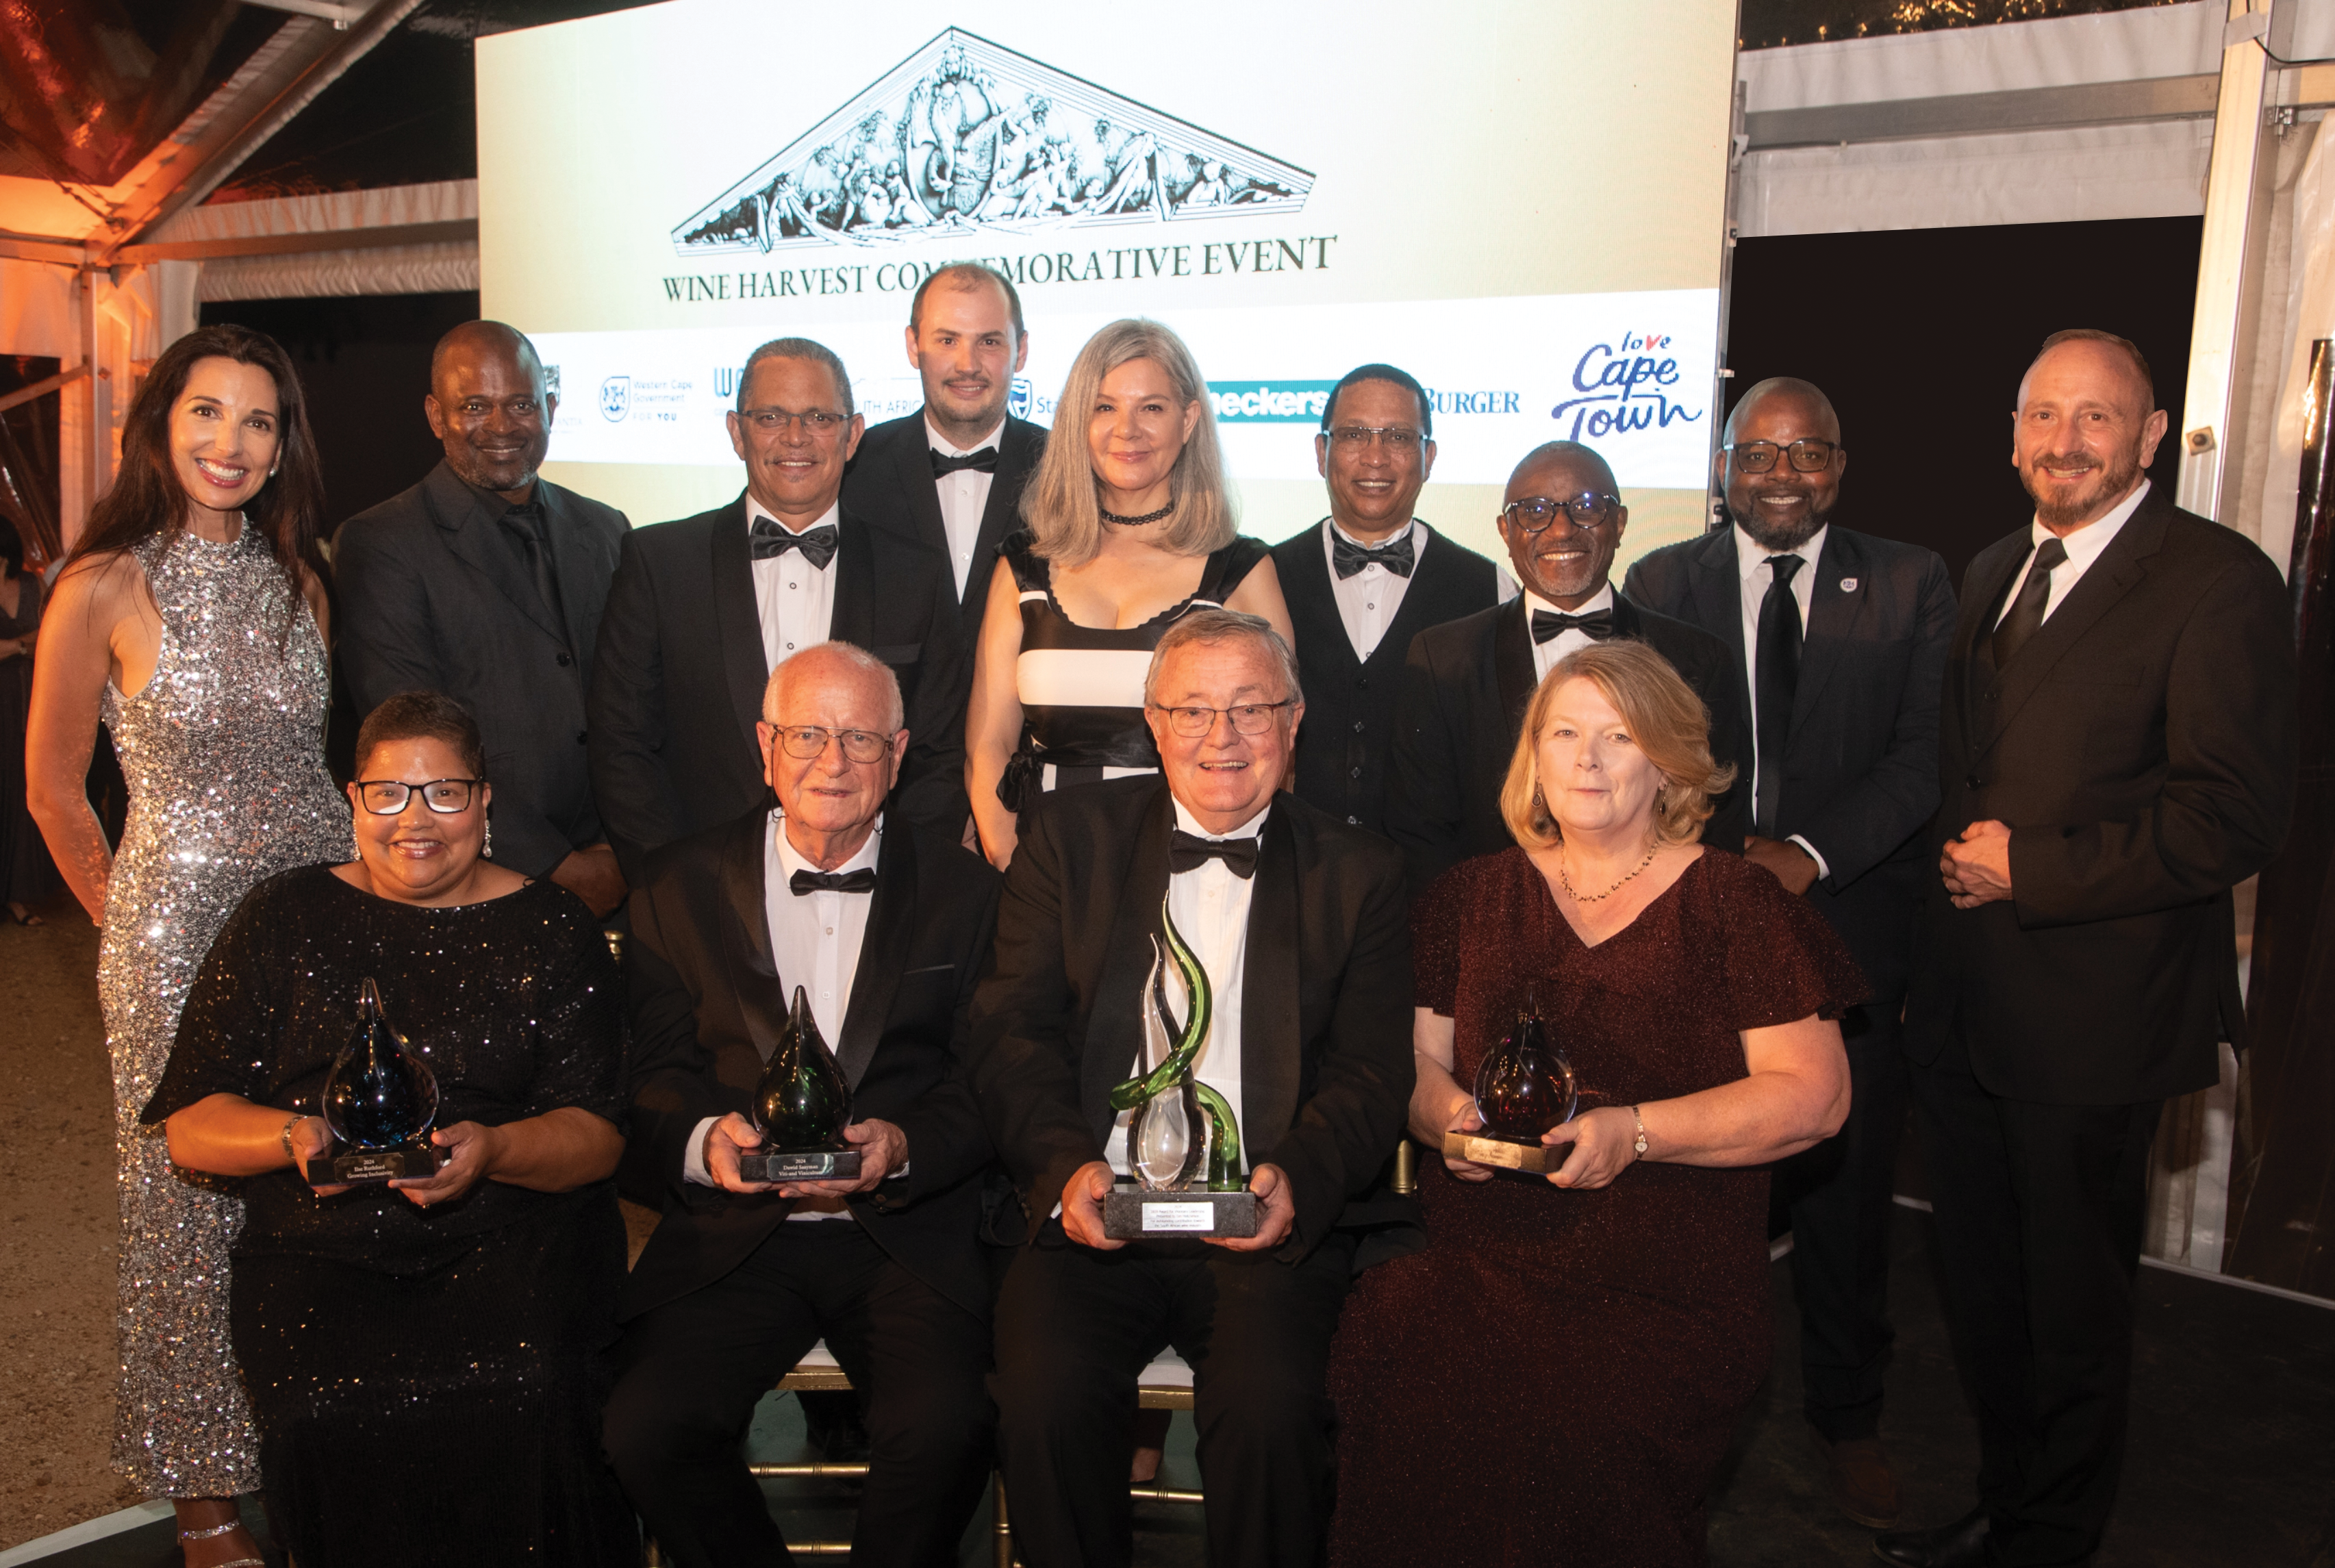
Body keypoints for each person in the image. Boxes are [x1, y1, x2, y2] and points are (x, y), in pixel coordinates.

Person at [1883, 331, 2298, 1568]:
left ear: (2152, 436)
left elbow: (2233, 816)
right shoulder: (1997, 562)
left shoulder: (2218, 581)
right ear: (2013, 434)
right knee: (1988, 1300)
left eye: (2097, 418)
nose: (2066, 440)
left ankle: (2052, 1540)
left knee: (2070, 1312)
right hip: (1968, 1016)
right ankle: (2014, 1511)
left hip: (2095, 1023)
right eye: (2044, 416)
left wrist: (2037, 869)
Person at [1328, 639, 1860, 1567]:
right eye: (1563, 733)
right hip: (1481, 1251)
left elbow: (1813, 1098)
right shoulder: (1467, 895)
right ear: (1531, 755)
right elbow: (1413, 1060)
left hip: (1665, 1273)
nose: (1585, 759)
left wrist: (1637, 1132)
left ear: (1668, 761)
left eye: (1618, 737)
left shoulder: (1735, 902)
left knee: (1575, 1418)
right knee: (1392, 1337)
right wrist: (1444, 1113)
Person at [144, 692, 635, 1567]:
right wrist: (293, 1140)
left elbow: (597, 1136)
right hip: (319, 1252)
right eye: (389, 794)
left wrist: (492, 1152)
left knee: (530, 1389)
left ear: (486, 802)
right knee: (325, 1408)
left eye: (445, 793)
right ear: (352, 800)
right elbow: (190, 1126)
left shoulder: (553, 926)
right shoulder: (281, 915)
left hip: (519, 1239)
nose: (417, 820)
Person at [968, 609, 1415, 1568]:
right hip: (1094, 1211)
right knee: (1042, 1398)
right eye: (1195, 709)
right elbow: (1009, 1032)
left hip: (1261, 1221)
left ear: (1294, 722)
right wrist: (1064, 1167)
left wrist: (1295, 1175)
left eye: (1251, 709)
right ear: (1152, 720)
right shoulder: (1066, 839)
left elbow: (1372, 1071)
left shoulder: (1362, 871)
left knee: (1270, 1413)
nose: (1223, 738)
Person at [25, 324, 353, 1568]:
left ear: (282, 450)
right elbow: (56, 792)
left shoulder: (302, 577)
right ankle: (203, 1491)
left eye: (259, 422)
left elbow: (312, 771)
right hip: (172, 936)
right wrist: (136, 935)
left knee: (319, 1178)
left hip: (314, 924)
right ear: (162, 426)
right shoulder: (102, 582)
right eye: (207, 414)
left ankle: (308, 1430)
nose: (231, 442)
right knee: (185, 1209)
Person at [1623, 376, 1956, 1526]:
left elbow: (1924, 757)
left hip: (1852, 923)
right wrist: (1719, 868)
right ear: (1723, 464)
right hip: (1696, 926)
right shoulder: (1661, 584)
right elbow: (1643, 752)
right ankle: (1669, 1404)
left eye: (1806, 451)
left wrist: (1808, 855)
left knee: (1849, 1195)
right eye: (1757, 451)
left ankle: (1847, 1418)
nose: (1780, 472)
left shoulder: (1911, 581)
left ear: (1841, 464)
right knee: (1695, 1185)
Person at [604, 642, 1002, 1567]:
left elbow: (990, 1080)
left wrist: (903, 1144)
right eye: (808, 734)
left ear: (899, 755)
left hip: (902, 1233)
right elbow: (647, 1077)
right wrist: (706, 1140)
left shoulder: (968, 893)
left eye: (860, 736)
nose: (834, 761)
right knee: (645, 1426)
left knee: (948, 1426)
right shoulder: (673, 885)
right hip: (737, 1236)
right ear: (764, 746)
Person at [590, 336, 969, 883]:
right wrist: (675, 883)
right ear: (736, 432)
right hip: (699, 893)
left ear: (853, 434)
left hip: (875, 890)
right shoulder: (658, 563)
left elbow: (941, 750)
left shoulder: (917, 574)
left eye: (818, 416)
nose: (796, 437)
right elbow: (621, 745)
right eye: (771, 416)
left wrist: (896, 879)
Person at [965, 319, 1295, 868]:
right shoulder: (1023, 566)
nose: (1127, 430)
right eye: (1104, 407)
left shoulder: (1239, 571)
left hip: (1190, 870)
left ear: (1188, 420)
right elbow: (987, 746)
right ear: (1078, 422)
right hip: (1042, 873)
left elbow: (1274, 751)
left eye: (1152, 408)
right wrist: (1015, 869)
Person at [336, 319, 631, 918]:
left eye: (521, 403)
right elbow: (409, 733)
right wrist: (555, 865)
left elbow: (638, 701)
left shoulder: (606, 529)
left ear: (550, 407)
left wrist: (629, 847)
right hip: (477, 877)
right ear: (435, 415)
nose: (502, 425)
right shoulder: (382, 542)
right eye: (475, 405)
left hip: (623, 867)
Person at [1388, 440, 1748, 897]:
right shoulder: (1442, 657)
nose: (1561, 529)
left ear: (1619, 524)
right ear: (1505, 530)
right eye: (1534, 510)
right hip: (1490, 939)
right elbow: (1420, 835)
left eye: (1586, 507)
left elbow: (1716, 832)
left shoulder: (1697, 661)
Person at [1267, 364, 1504, 833]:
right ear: (1321, 451)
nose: (1375, 457)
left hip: (1432, 882)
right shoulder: (1263, 579)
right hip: (1294, 876)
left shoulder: (1491, 587)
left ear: (1428, 457)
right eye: (1355, 434)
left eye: (1397, 437)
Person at [842, 262, 1047, 645]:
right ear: (913, 346)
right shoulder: (854, 467)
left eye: (989, 342)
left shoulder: (1065, 469)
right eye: (947, 340)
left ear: (1021, 351)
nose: (967, 365)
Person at [1, 517, 60, 923]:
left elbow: (51, 636)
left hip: (28, 698)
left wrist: (16, 646)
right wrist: (28, 643)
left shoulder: (28, 585)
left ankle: (19, 894)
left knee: (23, 792)